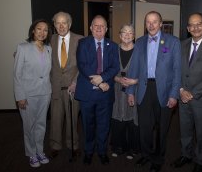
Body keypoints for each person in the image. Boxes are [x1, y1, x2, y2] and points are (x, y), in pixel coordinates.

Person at [126, 11, 181, 172]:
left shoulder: (173, 42)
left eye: (154, 21)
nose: (151, 25)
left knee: (162, 128)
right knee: (144, 126)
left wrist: (174, 94)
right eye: (148, 22)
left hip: (164, 90)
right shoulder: (140, 42)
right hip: (144, 89)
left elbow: (177, 71)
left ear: (161, 23)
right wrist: (130, 91)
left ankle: (158, 158)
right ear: (145, 24)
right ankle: (147, 154)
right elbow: (134, 68)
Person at [170, 13, 202, 172]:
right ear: (188, 28)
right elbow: (176, 70)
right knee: (185, 130)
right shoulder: (181, 44)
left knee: (201, 132)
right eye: (192, 25)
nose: (196, 27)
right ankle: (186, 155)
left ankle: (200, 160)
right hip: (183, 96)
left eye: (199, 24)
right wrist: (181, 90)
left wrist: (192, 93)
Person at [74, 15, 120, 165]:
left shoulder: (113, 46)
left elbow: (114, 67)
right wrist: (100, 82)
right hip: (87, 92)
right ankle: (88, 152)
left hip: (105, 95)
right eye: (96, 26)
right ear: (91, 28)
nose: (99, 29)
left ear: (106, 29)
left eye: (102, 26)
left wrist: (102, 78)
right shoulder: (82, 43)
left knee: (104, 125)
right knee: (88, 125)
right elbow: (82, 65)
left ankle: (101, 151)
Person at [13, 19, 52, 167]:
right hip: (28, 94)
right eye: (39, 29)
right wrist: (20, 96)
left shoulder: (49, 49)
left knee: (41, 124)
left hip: (45, 92)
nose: (42, 32)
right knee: (29, 125)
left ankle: (40, 151)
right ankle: (31, 153)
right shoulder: (22, 48)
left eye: (45, 30)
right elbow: (17, 75)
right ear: (33, 31)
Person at [49, 11, 83, 158]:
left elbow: (84, 65)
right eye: (58, 22)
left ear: (69, 24)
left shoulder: (80, 40)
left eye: (64, 22)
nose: (61, 25)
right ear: (54, 25)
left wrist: (75, 81)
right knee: (56, 119)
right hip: (55, 86)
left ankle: (73, 145)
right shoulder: (49, 40)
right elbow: (35, 49)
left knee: (72, 119)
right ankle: (55, 145)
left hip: (73, 87)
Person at [110, 24, 139, 160]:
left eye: (130, 33)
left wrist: (134, 81)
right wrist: (117, 78)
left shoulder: (140, 51)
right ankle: (118, 146)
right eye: (124, 32)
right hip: (116, 89)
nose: (127, 35)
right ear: (120, 35)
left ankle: (132, 148)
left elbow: (145, 71)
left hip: (135, 90)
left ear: (134, 36)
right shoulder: (113, 50)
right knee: (117, 117)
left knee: (132, 118)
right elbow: (108, 69)